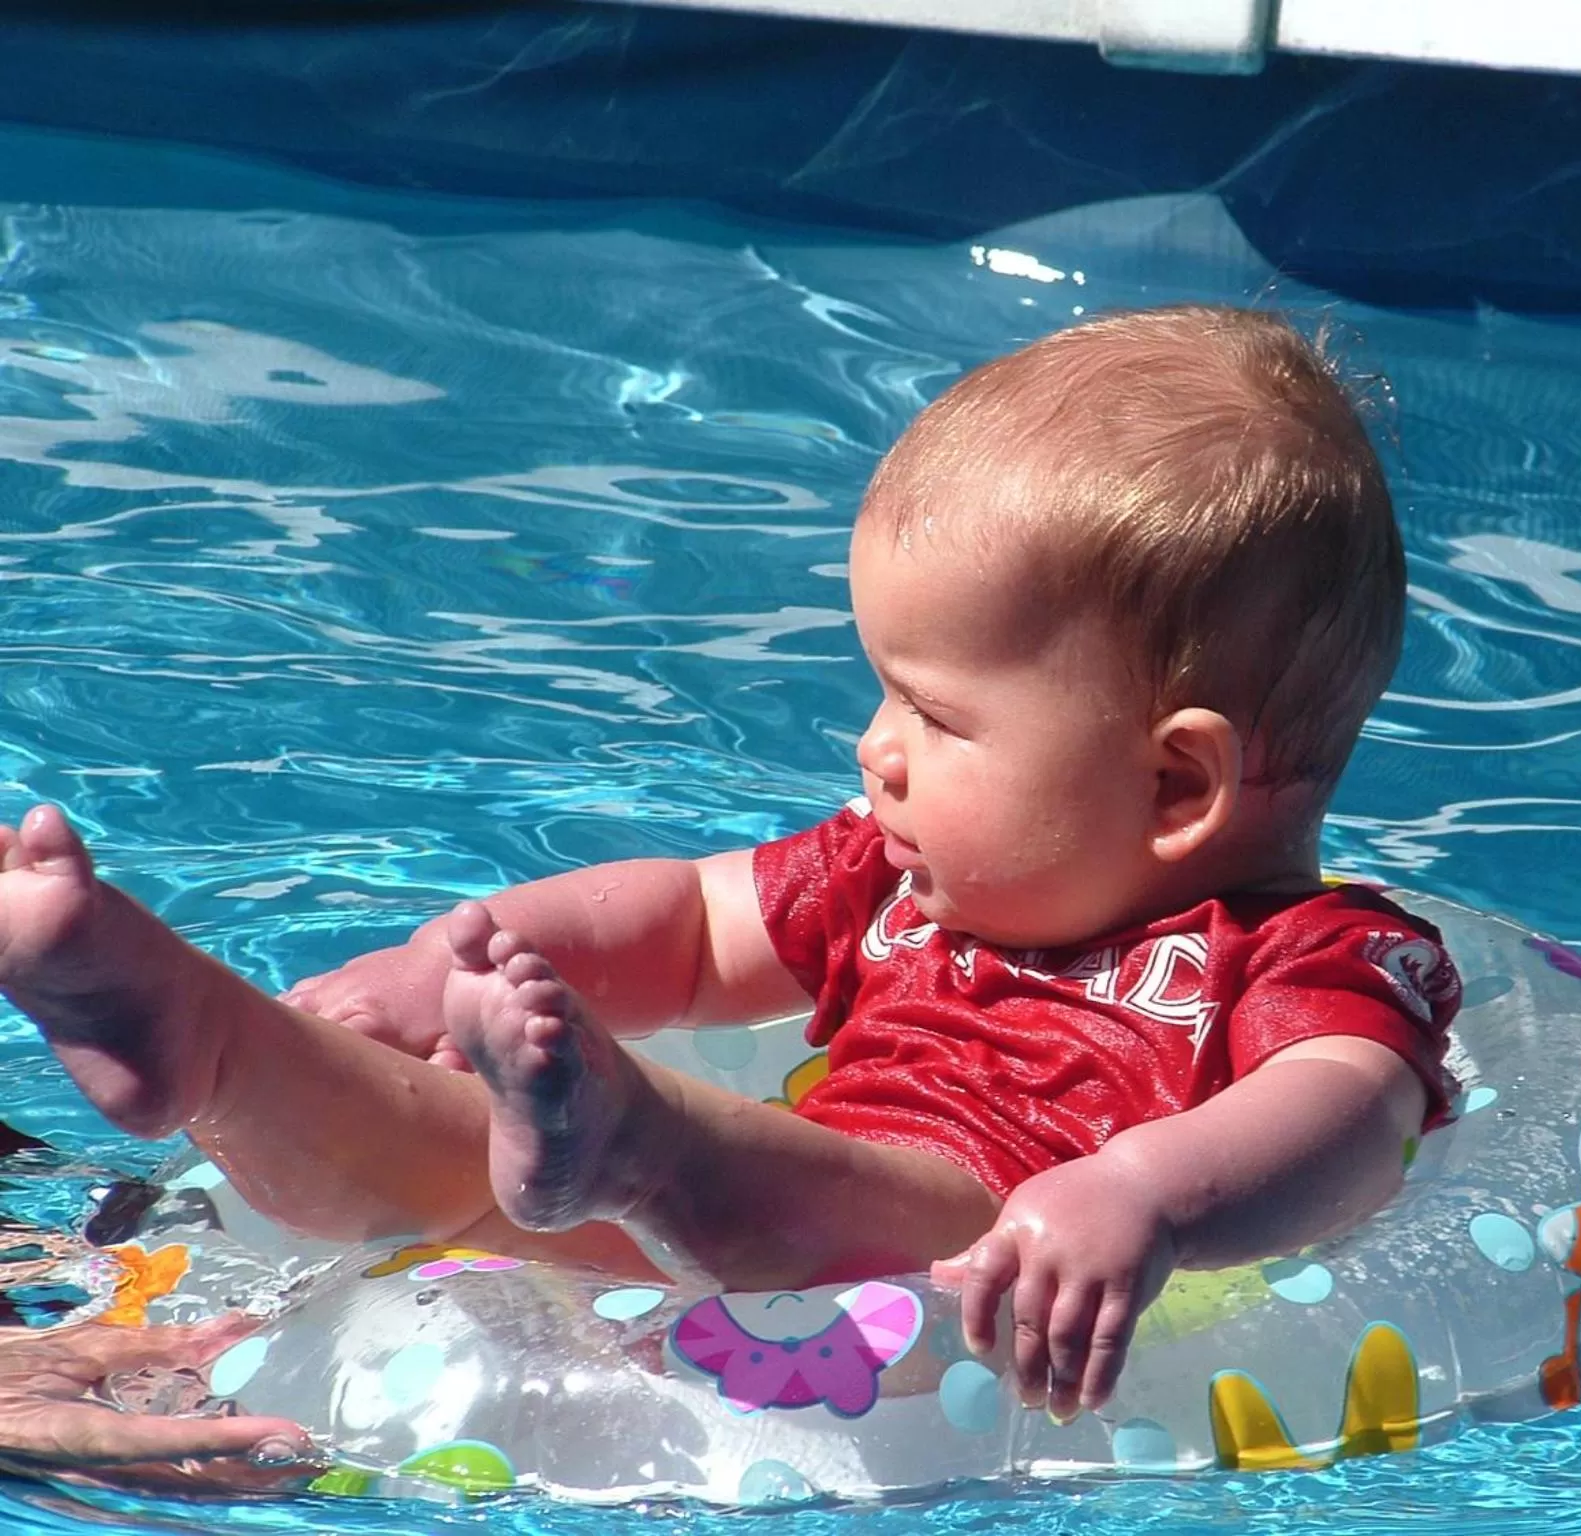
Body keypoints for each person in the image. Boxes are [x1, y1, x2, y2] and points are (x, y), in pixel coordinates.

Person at [0, 304, 1460, 1431]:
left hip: (953, 1246)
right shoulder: (896, 875)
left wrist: (1139, 1194)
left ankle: (635, 1146)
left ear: (1176, 782)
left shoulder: (1312, 957)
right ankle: (208, 1041)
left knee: (859, 1197)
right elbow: (691, 926)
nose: (872, 745)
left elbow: (1342, 1120)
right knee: (427, 1149)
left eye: (937, 716)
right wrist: (449, 960)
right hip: (731, 1196)